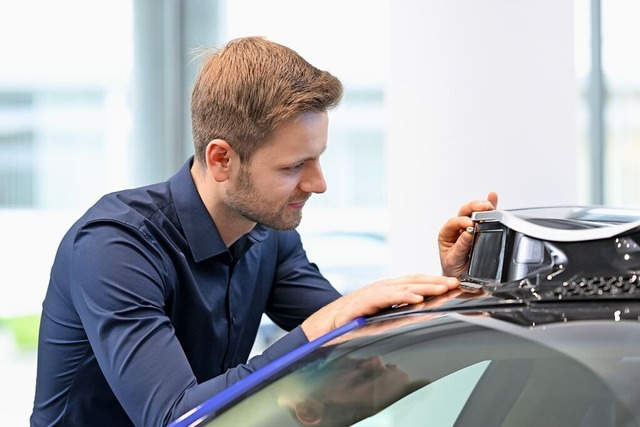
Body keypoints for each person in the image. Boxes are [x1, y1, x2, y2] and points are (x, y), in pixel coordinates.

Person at [30, 36, 497, 427]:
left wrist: (458, 289)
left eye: (318, 158)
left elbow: (357, 339)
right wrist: (318, 327)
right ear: (221, 160)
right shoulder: (115, 246)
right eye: (295, 166)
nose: (318, 184)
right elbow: (174, 416)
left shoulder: (267, 233)